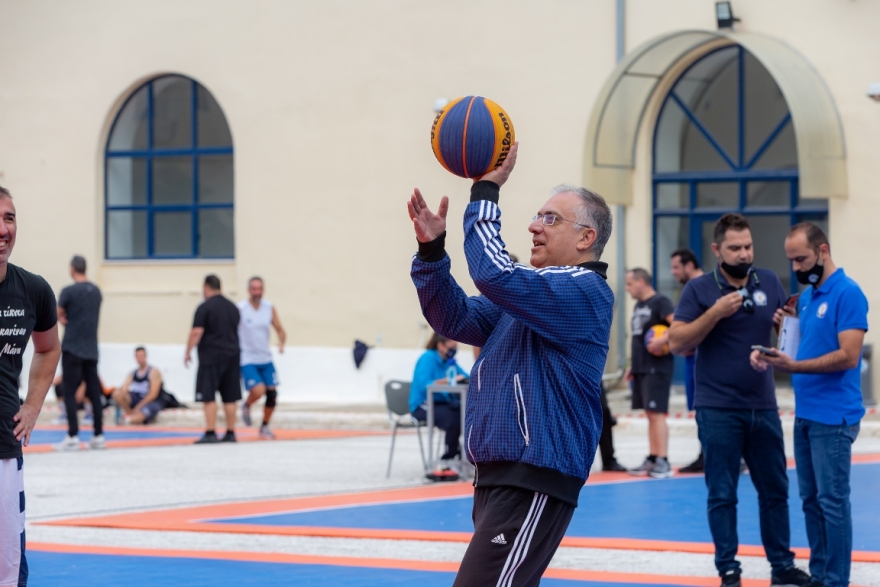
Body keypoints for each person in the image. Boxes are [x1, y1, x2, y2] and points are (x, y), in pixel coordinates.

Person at [408, 142, 614, 586]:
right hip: (498, 475)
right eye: (538, 216)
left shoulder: (585, 292)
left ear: (585, 239)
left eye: (550, 219)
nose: (534, 227)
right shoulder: (527, 298)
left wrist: (485, 191)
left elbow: (494, 273)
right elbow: (453, 316)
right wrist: (431, 252)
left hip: (534, 480)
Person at [668, 213, 809, 587]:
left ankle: (782, 567)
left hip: (762, 406)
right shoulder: (699, 289)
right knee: (722, 493)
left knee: (775, 490)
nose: (744, 253)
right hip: (718, 409)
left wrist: (785, 326)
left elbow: (788, 344)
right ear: (717, 250)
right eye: (735, 248)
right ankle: (728, 571)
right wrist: (714, 313)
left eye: (747, 246)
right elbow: (677, 342)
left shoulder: (770, 281)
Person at [751, 222, 867, 587]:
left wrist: (794, 366)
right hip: (807, 413)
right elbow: (800, 351)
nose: (797, 268)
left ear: (823, 250)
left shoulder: (847, 293)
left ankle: (835, 580)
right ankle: (820, 575)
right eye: (791, 261)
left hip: (833, 417)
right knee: (811, 501)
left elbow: (848, 357)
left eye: (801, 259)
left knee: (832, 503)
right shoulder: (811, 296)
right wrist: (779, 341)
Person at [0, 186, 61, 587]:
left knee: (7, 571)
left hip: (3, 448)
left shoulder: (33, 290)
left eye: (9, 217)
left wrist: (34, 405)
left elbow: (49, 347)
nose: (4, 228)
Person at [624, 268, 674, 478]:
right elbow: (637, 338)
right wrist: (632, 366)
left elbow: (680, 325)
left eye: (629, 284)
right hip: (642, 367)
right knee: (649, 415)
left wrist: (663, 340)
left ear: (641, 282)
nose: (627, 289)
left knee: (657, 414)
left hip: (657, 366)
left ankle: (663, 460)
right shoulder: (639, 305)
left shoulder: (661, 302)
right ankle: (653, 457)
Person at [54, 255, 105, 451]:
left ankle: (73, 435)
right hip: (91, 347)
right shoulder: (96, 292)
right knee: (94, 392)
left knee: (69, 391)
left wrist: (64, 318)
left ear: (73, 269)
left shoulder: (69, 291)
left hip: (73, 346)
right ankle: (98, 435)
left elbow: (57, 311)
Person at [185, 275, 241, 444]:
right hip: (232, 355)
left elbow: (197, 332)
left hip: (211, 356)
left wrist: (187, 351)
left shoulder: (204, 308)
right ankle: (231, 432)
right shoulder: (233, 307)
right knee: (230, 396)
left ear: (206, 287)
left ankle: (211, 431)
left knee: (208, 395)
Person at [238, 277, 286, 440]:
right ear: (248, 290)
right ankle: (247, 404)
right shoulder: (241, 309)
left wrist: (281, 342)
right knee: (258, 390)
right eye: (254, 289)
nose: (257, 292)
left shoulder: (269, 307)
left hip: (265, 357)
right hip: (247, 357)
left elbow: (280, 329)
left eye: (259, 289)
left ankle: (264, 426)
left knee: (272, 393)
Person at [670, 248, 705, 474]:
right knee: (699, 410)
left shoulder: (705, 287)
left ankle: (714, 454)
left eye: (676, 267)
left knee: (707, 408)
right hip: (693, 359)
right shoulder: (690, 289)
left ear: (689, 266)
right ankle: (706, 453)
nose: (673, 272)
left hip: (704, 360)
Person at [409, 332, 468, 466]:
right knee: (451, 419)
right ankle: (449, 458)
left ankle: (462, 455)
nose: (454, 348)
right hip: (423, 405)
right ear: (441, 345)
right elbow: (425, 385)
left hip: (443, 403)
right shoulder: (427, 358)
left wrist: (463, 378)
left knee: (466, 414)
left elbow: (465, 376)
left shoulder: (449, 362)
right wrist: (447, 381)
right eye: (451, 345)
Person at [113, 346, 165, 425]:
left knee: (144, 412)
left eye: (141, 356)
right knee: (117, 394)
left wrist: (138, 407)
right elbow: (124, 387)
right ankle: (129, 414)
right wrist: (122, 392)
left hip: (150, 401)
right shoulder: (133, 373)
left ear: (145, 356)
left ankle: (128, 419)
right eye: (138, 356)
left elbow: (153, 394)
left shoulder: (153, 372)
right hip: (136, 398)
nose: (140, 358)